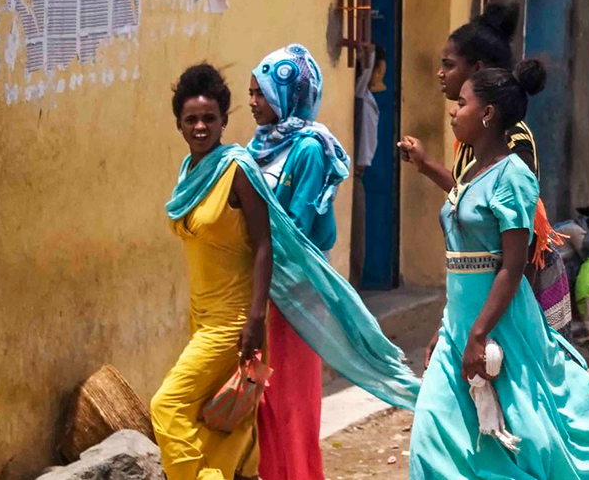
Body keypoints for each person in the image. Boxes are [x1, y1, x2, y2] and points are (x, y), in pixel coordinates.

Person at [159, 64, 421, 480]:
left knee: (177, 406)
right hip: (210, 311)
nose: (254, 102)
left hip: (269, 306)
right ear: (177, 123)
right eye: (191, 119)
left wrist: (256, 314)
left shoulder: (269, 159)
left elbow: (277, 238)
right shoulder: (218, 163)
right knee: (239, 419)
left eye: (261, 92)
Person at [409, 62, 589, 479]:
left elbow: (512, 266)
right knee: (434, 429)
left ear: (487, 114)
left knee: (521, 430)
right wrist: (447, 328)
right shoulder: (473, 172)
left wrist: (479, 333)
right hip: (459, 321)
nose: (452, 111)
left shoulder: (513, 176)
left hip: (498, 323)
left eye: (462, 103)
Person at [245, 44, 347, 480]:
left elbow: (297, 225)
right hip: (260, 286)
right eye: (251, 92)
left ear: (289, 95)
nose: (252, 102)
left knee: (292, 402)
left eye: (262, 94)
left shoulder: (307, 148)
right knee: (263, 401)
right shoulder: (258, 146)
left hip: (297, 292)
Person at [397, 4, 538, 189]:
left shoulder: (510, 134)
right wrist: (424, 164)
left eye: (449, 65)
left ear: (477, 69)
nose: (440, 73)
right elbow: (468, 194)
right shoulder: (475, 130)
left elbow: (508, 206)